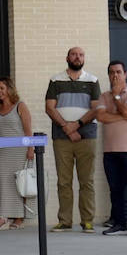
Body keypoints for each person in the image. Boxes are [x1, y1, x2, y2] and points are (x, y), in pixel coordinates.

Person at [44, 46, 102, 233]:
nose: (78, 57)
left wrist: (75, 125)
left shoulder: (93, 81)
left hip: (87, 136)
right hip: (62, 137)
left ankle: (87, 221)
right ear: (67, 57)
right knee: (63, 181)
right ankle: (65, 221)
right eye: (74, 54)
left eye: (81, 55)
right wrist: (67, 128)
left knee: (87, 181)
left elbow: (95, 109)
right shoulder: (55, 80)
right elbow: (49, 108)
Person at [97, 60, 127, 236]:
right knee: (115, 189)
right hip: (110, 150)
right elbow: (102, 117)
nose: (114, 75)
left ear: (125, 74)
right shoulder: (104, 96)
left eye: (118, 72)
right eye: (111, 72)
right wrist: (126, 115)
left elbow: (126, 112)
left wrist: (117, 98)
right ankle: (119, 224)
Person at [0, 77, 34, 230]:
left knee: (19, 183)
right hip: (3, 151)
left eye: (2, 88)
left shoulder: (20, 106)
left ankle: (19, 217)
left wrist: (31, 149)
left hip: (19, 150)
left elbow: (28, 129)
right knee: (3, 182)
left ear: (9, 89)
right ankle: (3, 217)